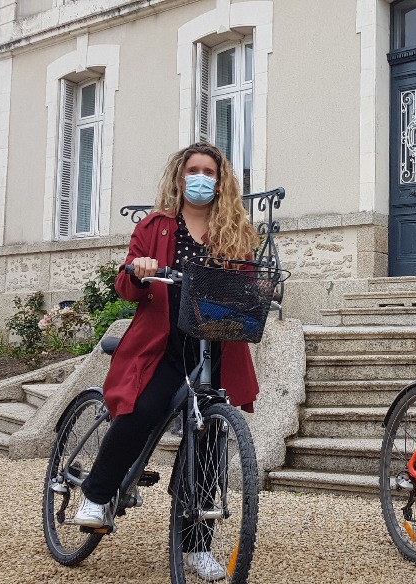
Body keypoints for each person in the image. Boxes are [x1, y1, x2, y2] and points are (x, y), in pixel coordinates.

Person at [73, 143, 261, 581]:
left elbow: (247, 285)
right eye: (194, 170)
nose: (201, 178)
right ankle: (97, 494)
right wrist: (138, 270)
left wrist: (255, 293)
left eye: (209, 172)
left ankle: (196, 545)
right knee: (143, 409)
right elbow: (125, 287)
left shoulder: (235, 231)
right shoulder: (155, 227)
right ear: (180, 177)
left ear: (221, 181)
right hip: (164, 344)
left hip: (214, 345)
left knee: (211, 440)